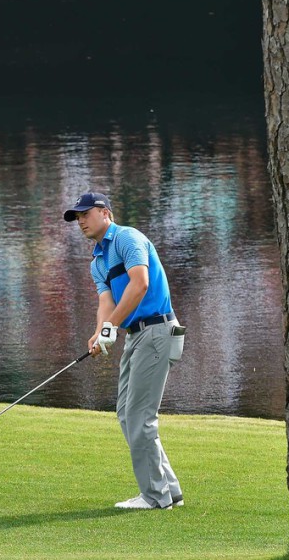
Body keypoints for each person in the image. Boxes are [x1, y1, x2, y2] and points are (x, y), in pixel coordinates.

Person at [63, 191, 185, 510]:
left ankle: (156, 497)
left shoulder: (127, 238)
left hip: (158, 329)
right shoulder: (98, 260)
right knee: (125, 414)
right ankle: (169, 489)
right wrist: (99, 332)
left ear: (105, 213)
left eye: (85, 214)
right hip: (136, 336)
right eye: (77, 218)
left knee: (139, 416)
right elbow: (107, 303)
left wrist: (111, 327)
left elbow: (140, 283)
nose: (80, 221)